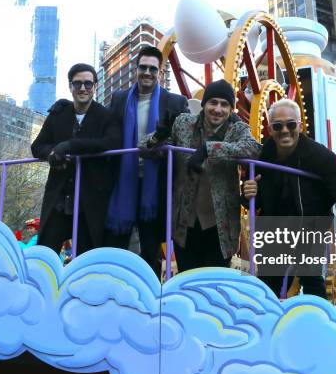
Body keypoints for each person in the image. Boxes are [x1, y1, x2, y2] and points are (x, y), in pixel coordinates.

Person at [242, 98, 336, 299]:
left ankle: (318, 324)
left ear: (299, 125)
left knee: (312, 281)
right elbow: (255, 199)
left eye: (291, 125)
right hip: (276, 229)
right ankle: (269, 327)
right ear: (270, 129)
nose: (285, 130)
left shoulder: (318, 156)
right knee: (268, 288)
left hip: (310, 226)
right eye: (277, 126)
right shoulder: (264, 156)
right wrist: (248, 192)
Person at [141, 79, 261, 271]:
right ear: (204, 104)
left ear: (231, 110)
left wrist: (208, 148)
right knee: (187, 281)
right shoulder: (183, 123)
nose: (218, 109)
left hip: (221, 228)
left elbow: (253, 148)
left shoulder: (238, 129)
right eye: (213, 102)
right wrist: (158, 136)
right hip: (184, 224)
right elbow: (143, 148)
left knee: (214, 284)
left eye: (224, 104)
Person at [105, 45, 189, 278]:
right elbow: (103, 127)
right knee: (117, 245)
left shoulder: (175, 102)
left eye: (153, 68)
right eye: (143, 67)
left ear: (160, 73)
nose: (148, 73)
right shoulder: (119, 99)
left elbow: (187, 137)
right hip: (124, 181)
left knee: (151, 248)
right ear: (136, 69)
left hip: (157, 186)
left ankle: (152, 300)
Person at [31, 63, 120, 255]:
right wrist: (53, 153)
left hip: (90, 201)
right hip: (59, 198)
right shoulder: (58, 114)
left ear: (95, 86)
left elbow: (111, 144)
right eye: (77, 83)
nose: (82, 88)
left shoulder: (106, 116)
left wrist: (69, 146)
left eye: (88, 84)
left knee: (85, 259)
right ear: (70, 86)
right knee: (46, 253)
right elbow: (37, 146)